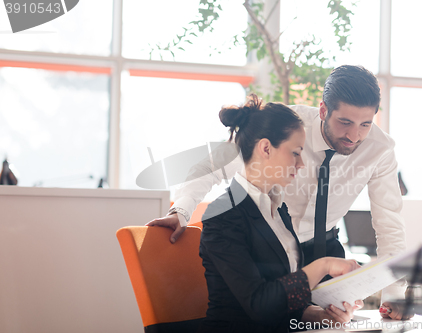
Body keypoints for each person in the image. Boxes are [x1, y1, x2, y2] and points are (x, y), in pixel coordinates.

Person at [148, 65, 408, 320]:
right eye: (345, 122)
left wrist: (394, 294)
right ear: (323, 110)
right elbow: (211, 166)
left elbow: (390, 225)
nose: (354, 135)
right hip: (273, 250)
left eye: (365, 124)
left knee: (333, 321)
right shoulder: (287, 128)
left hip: (325, 250)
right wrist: (181, 210)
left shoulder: (380, 149)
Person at [198, 95, 362, 332]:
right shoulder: (223, 215)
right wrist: (324, 265)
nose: (301, 164)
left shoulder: (277, 209)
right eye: (296, 152)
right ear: (265, 148)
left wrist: (321, 315)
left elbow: (280, 297)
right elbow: (259, 305)